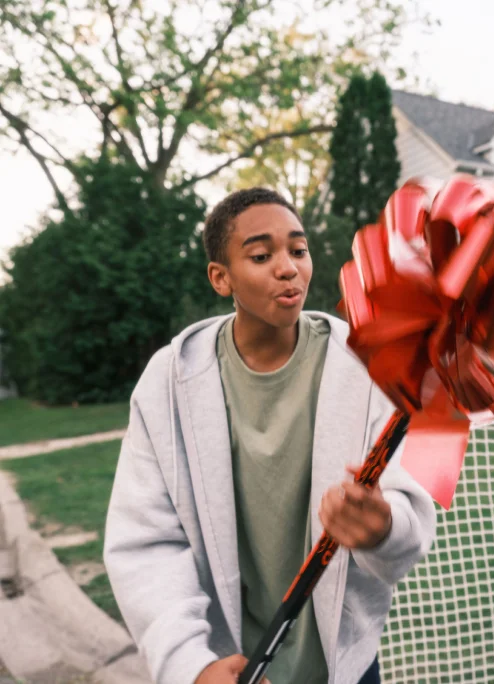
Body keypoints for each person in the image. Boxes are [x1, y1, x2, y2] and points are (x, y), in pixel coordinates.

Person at [103, 188, 437, 684]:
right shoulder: (168, 381)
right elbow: (146, 540)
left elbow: (407, 514)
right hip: (227, 667)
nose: (288, 268)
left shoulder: (367, 367)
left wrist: (383, 527)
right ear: (221, 277)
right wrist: (188, 663)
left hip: (345, 666)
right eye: (261, 255)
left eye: (298, 250)